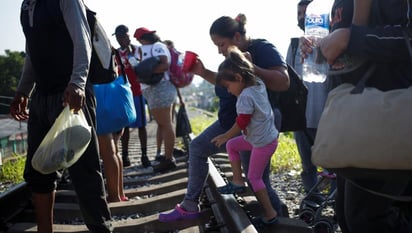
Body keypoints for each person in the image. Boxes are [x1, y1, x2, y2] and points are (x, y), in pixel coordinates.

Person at [159, 13, 290, 223]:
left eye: (221, 44)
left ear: (237, 37)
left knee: (257, 179)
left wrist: (249, 65)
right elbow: (228, 84)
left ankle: (279, 219)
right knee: (199, 148)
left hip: (254, 124)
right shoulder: (232, 59)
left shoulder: (262, 49)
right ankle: (190, 205)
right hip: (232, 121)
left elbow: (283, 82)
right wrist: (203, 72)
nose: (219, 50)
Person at [303, 0, 412, 232]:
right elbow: (349, 53)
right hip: (356, 118)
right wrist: (322, 48)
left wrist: (350, 38)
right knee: (347, 216)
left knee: (368, 219)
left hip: (392, 113)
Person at [11, 0, 113, 232]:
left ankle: (101, 228)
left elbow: (82, 40)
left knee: (84, 171)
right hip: (42, 97)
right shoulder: (27, 6)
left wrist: (77, 83)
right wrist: (23, 90)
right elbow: (32, 52)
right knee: (39, 170)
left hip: (70, 95)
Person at [211, 47, 279, 227]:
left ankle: (270, 214)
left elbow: (241, 122)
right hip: (263, 137)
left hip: (262, 143)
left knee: (255, 178)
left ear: (239, 78)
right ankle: (237, 181)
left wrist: (225, 135)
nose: (229, 91)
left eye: (228, 86)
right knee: (232, 146)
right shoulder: (257, 83)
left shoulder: (244, 97)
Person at [133, 27, 177, 172]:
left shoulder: (158, 47)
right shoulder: (147, 48)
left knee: (166, 124)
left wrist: (145, 70)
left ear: (142, 38)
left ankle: (169, 159)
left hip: (159, 88)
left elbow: (165, 65)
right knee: (163, 124)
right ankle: (165, 156)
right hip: (154, 90)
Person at [113, 25, 150, 168]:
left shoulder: (137, 50)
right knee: (125, 126)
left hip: (137, 91)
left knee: (141, 125)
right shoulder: (114, 53)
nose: (121, 40)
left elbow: (142, 67)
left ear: (128, 36)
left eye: (124, 36)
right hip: (122, 93)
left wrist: (131, 57)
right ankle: (125, 156)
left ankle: (144, 155)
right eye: (118, 38)